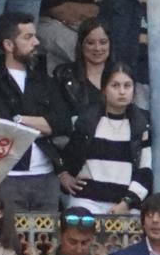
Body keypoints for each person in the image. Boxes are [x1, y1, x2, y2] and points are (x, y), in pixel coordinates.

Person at [0, 15, 72, 213]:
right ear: (8, 44)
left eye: (35, 36)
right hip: (8, 175)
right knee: (11, 239)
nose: (36, 42)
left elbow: (63, 123)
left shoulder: (46, 82)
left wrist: (20, 119)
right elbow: (3, 128)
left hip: (47, 175)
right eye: (28, 37)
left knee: (48, 241)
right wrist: (43, 124)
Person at [61, 64, 153, 215]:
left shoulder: (141, 125)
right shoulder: (87, 121)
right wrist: (64, 175)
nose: (122, 91)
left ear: (134, 91)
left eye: (127, 86)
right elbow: (67, 156)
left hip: (126, 207)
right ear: (104, 89)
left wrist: (127, 202)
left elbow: (145, 170)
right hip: (86, 202)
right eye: (115, 86)